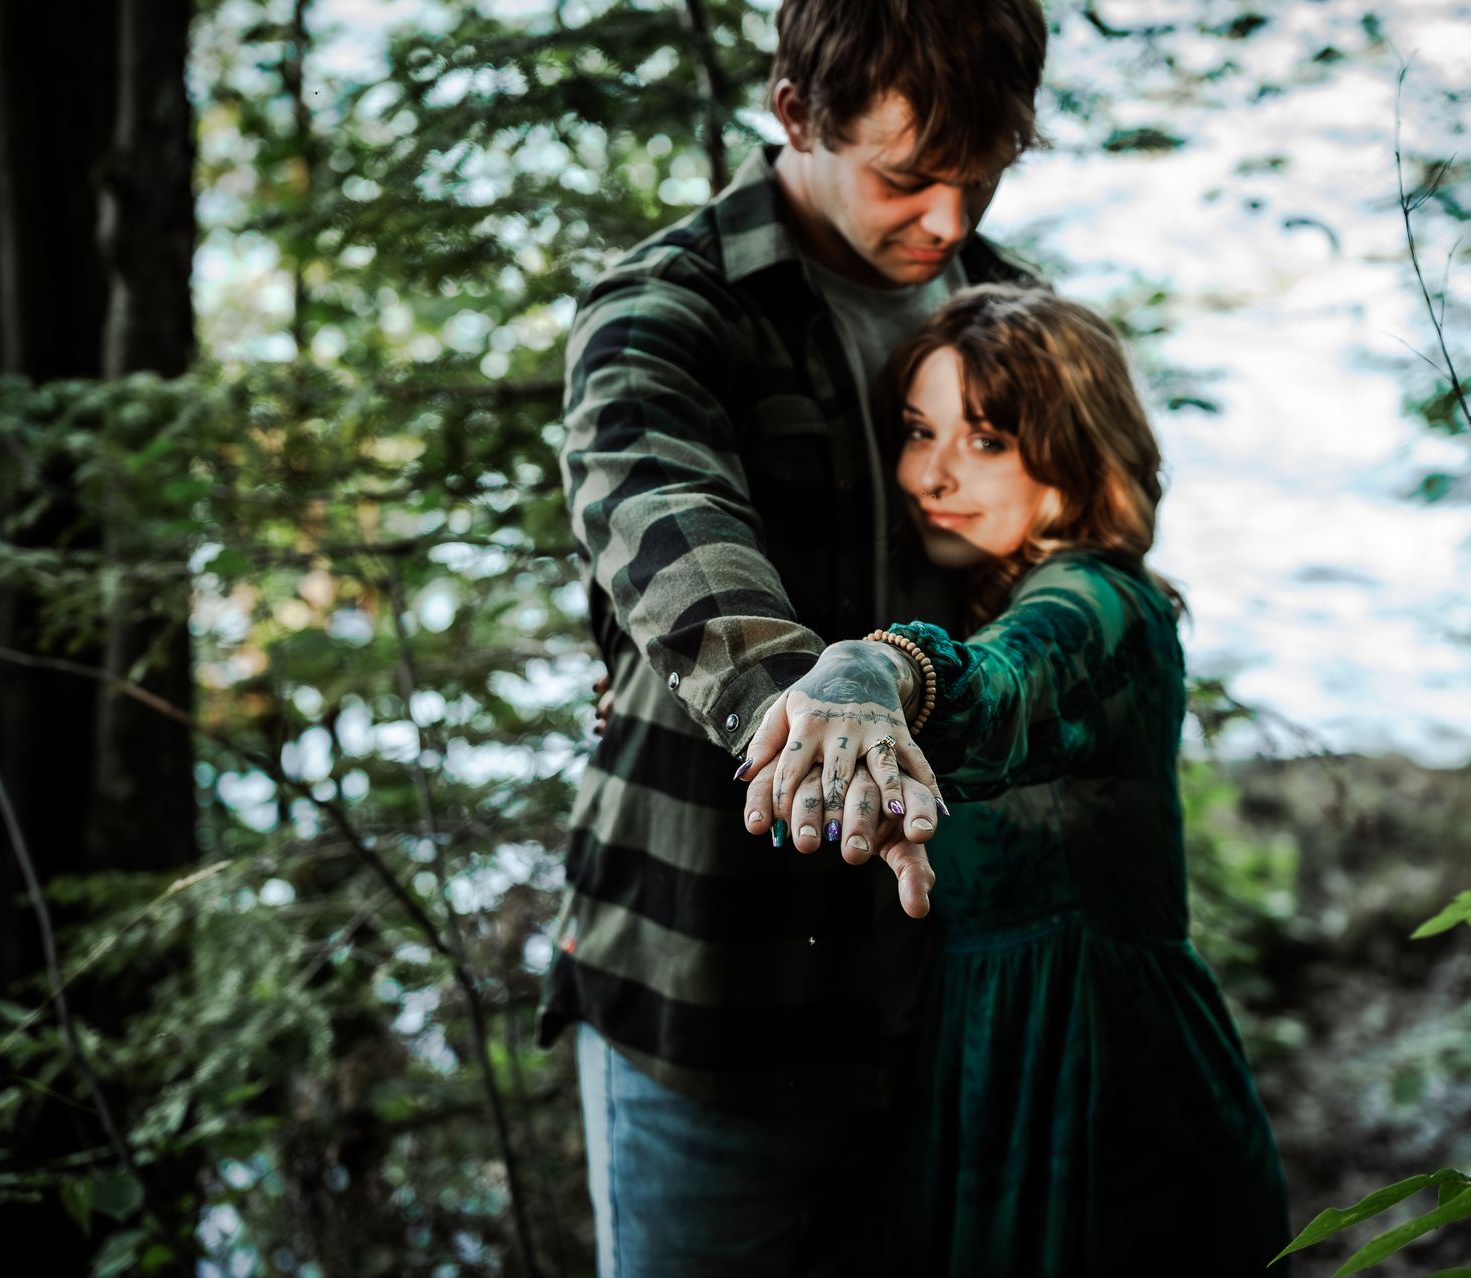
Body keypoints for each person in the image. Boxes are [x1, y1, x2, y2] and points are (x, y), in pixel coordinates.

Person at [542, 1, 1050, 1273]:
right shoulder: (665, 308)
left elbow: (1079, 569)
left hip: (958, 987)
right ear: (792, 115)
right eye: (906, 177)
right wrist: (814, 704)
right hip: (710, 987)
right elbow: (664, 514)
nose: (948, 221)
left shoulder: (1016, 312)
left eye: (982, 177)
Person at [740, 286, 1293, 1275]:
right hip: (985, 1058)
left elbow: (1002, 685)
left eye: (987, 441)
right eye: (919, 432)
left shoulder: (1100, 601)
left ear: (1075, 453)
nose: (934, 475)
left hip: (1099, 1071)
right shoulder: (982, 584)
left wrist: (881, 668)